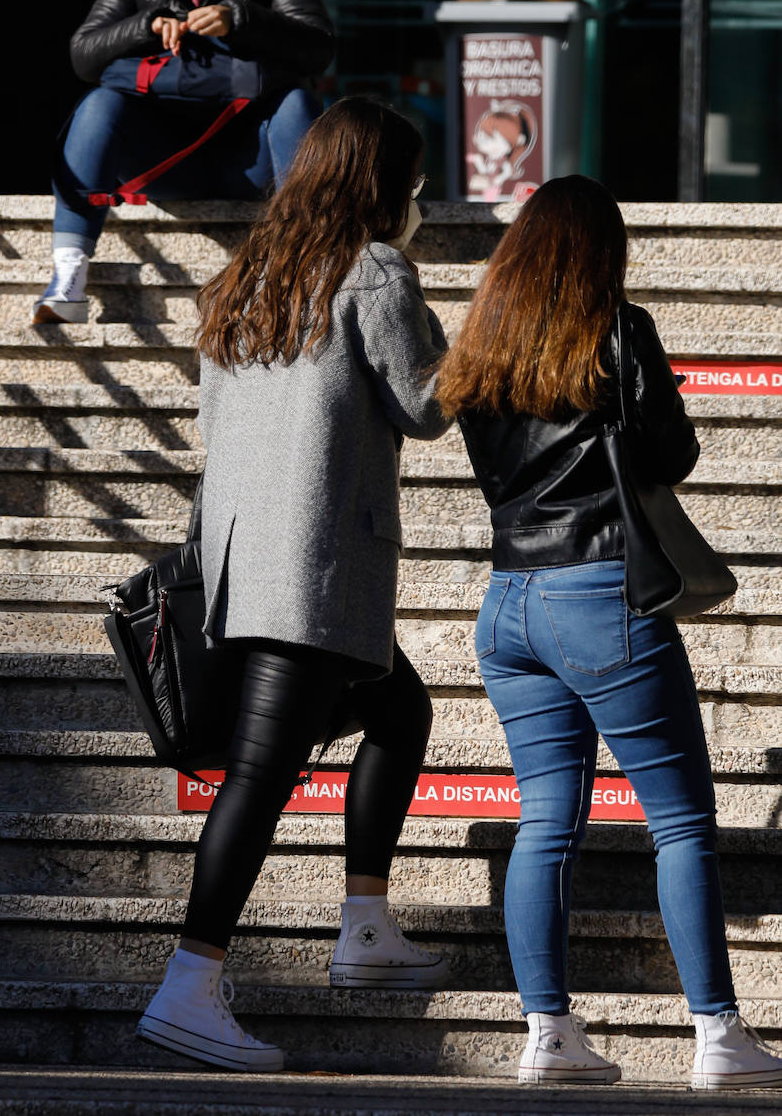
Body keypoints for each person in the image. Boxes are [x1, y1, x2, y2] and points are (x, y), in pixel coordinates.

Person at [435, 175, 782, 1091]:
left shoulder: (482, 345)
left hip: (508, 602)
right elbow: (673, 454)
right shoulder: (617, 329)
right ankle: (717, 1033)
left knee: (546, 820)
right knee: (680, 820)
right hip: (599, 592)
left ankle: (548, 1034)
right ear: (602, 251)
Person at [135, 97, 450, 1072]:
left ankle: (363, 921)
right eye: (409, 180)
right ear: (383, 184)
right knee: (261, 779)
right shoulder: (372, 271)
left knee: (400, 713)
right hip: (312, 573)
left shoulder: (245, 275)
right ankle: (188, 985)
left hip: (246, 567)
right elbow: (427, 402)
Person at [34, 0, 334, 324]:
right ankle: (68, 277)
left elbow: (318, 45)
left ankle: (314, 271)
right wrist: (146, 25)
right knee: (98, 105)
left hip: (256, 160)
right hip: (168, 159)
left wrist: (242, 20)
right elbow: (83, 54)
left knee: (297, 103)